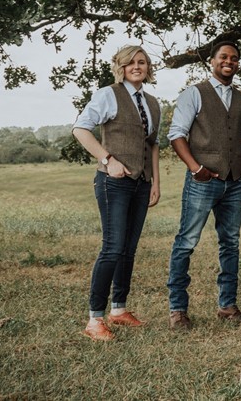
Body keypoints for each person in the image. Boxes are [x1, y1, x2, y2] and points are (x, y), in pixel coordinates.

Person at [72, 45, 161, 341]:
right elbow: (81, 129)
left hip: (141, 182)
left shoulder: (151, 102)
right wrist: (107, 160)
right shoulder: (108, 94)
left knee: (129, 249)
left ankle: (119, 310)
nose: (138, 66)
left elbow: (152, 145)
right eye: (131, 62)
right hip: (113, 183)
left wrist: (155, 182)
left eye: (142, 62)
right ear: (121, 67)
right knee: (112, 247)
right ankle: (94, 320)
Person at [166, 41, 241, 330]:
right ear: (212, 62)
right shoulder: (194, 93)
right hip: (202, 182)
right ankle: (178, 309)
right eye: (223, 57)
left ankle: (227, 306)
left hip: (232, 184)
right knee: (186, 242)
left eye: (234, 58)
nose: (229, 61)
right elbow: (177, 135)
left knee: (231, 244)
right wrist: (196, 169)